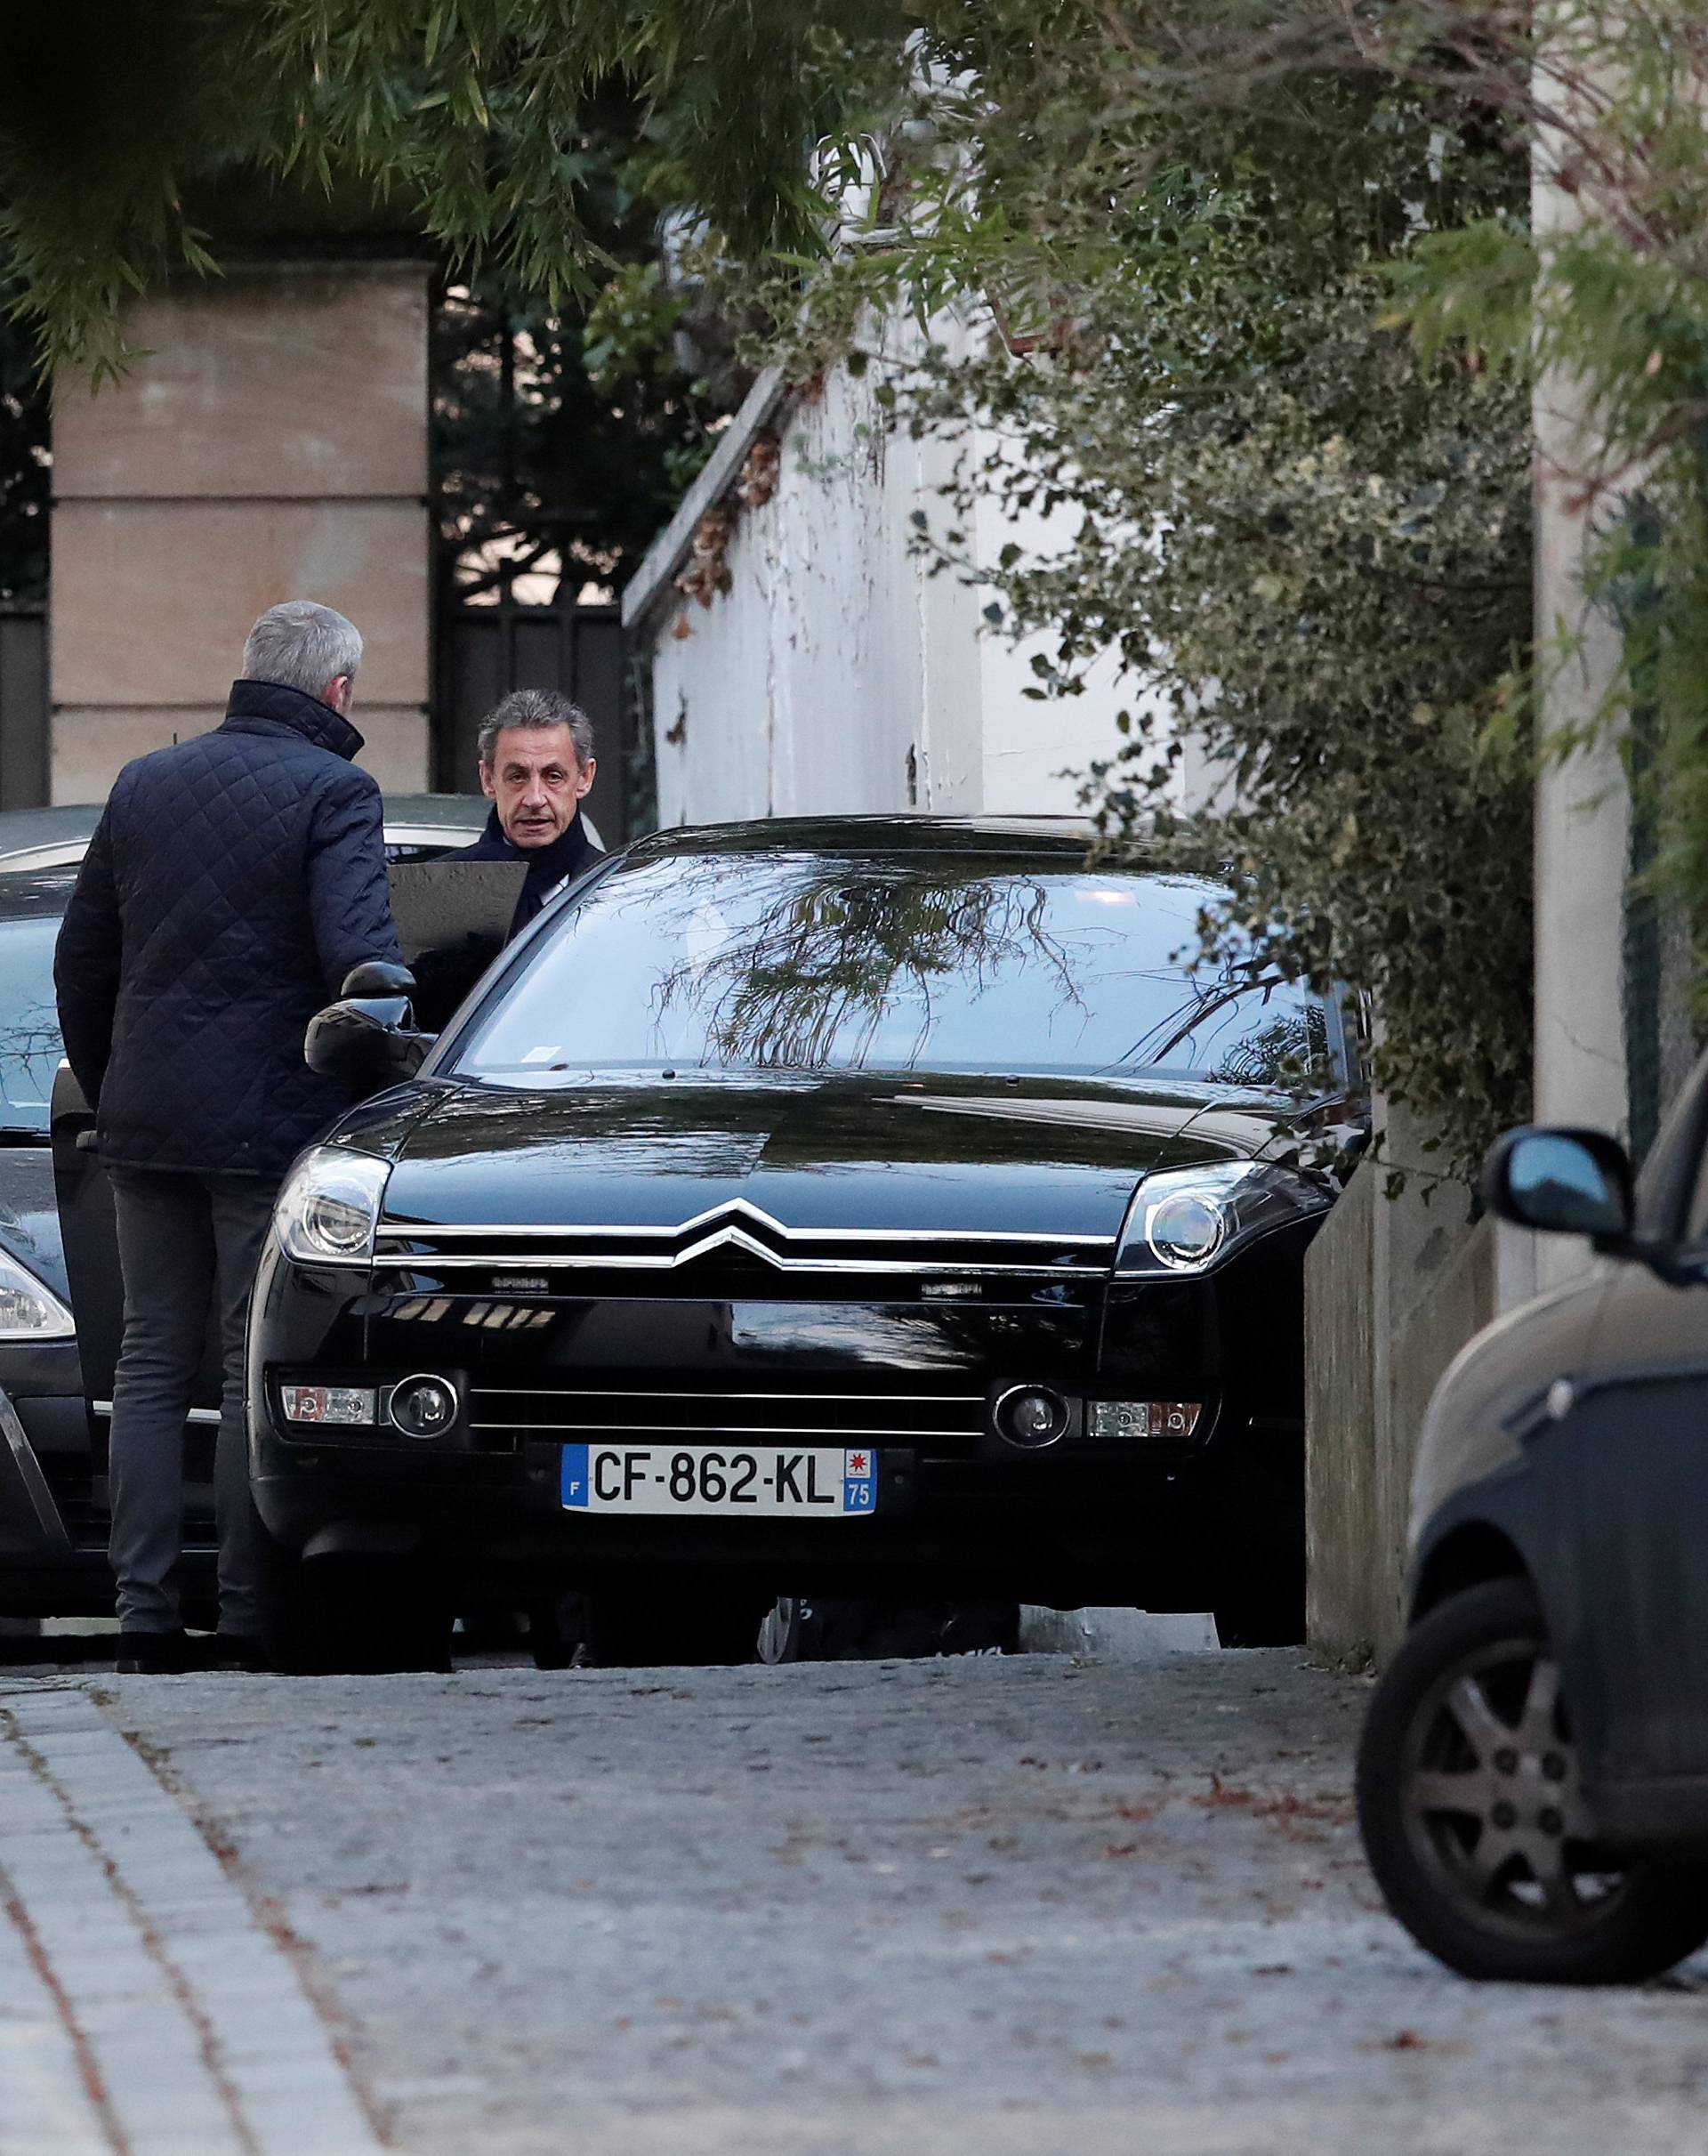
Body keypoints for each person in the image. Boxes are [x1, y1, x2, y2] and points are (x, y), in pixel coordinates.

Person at [54, 600, 404, 1675]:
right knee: (250, 1362)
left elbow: (81, 962)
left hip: (148, 1121)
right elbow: (365, 967)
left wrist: (120, 1090)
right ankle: (250, 1612)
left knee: (151, 1361)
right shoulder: (338, 790)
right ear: (337, 692)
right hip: (269, 1126)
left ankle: (145, 1615)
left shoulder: (143, 783)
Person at [461, 689, 603, 936]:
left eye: (554, 776)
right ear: (488, 779)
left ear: (585, 777)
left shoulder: (622, 893)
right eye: (517, 777)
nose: (535, 799)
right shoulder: (441, 890)